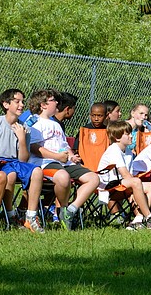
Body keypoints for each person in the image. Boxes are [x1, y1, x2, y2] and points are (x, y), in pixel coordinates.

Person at [0, 88, 45, 233]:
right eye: (17, 101)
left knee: (37, 171)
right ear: (6, 105)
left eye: (22, 102)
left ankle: (30, 217)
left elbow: (23, 159)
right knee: (10, 174)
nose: (21, 105)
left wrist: (22, 139)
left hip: (15, 162)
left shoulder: (24, 128)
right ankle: (10, 215)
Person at [28, 90, 100, 231]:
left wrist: (71, 155)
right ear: (43, 105)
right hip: (44, 163)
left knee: (93, 178)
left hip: (64, 162)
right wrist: (57, 157)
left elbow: (63, 146)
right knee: (63, 177)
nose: (57, 103)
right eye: (53, 100)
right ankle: (63, 209)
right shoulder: (36, 122)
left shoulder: (55, 124)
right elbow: (34, 147)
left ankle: (70, 211)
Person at [97, 120, 151, 229]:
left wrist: (135, 191)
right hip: (108, 186)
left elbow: (130, 175)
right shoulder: (114, 150)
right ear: (117, 137)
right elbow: (125, 174)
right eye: (127, 134)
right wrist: (133, 191)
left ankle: (138, 219)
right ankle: (148, 215)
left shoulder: (128, 152)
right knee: (136, 182)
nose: (131, 136)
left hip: (122, 184)